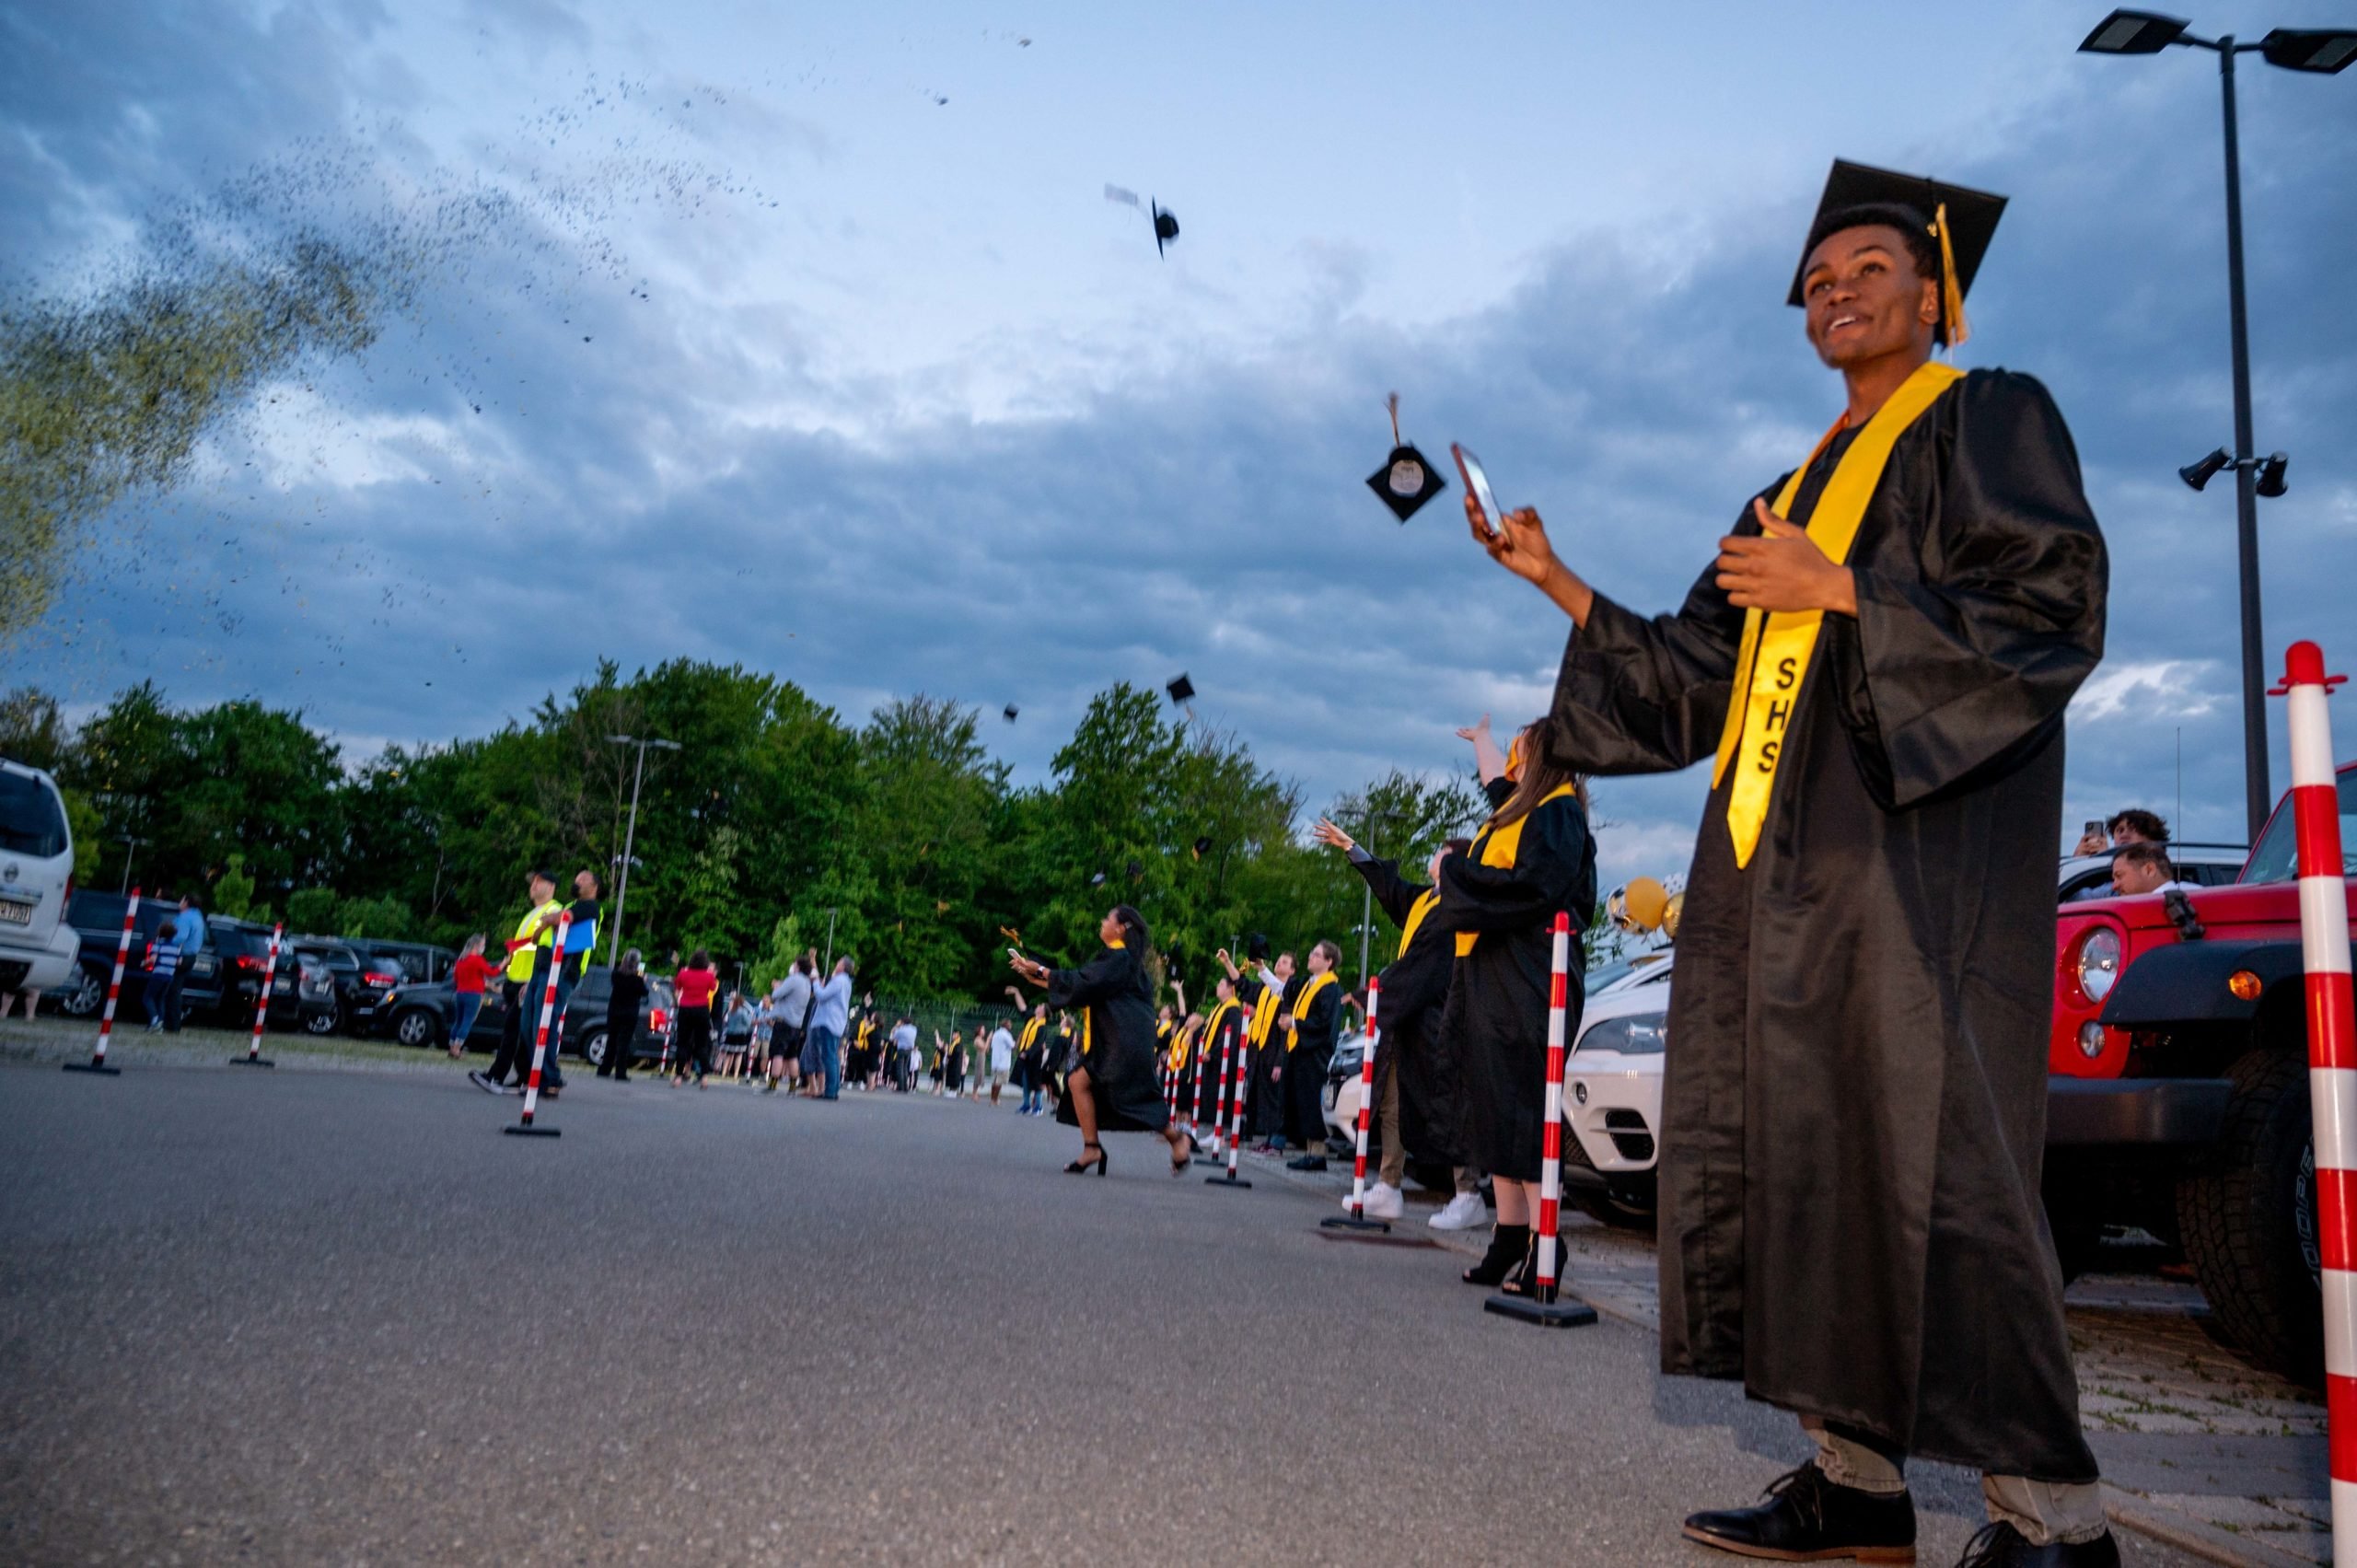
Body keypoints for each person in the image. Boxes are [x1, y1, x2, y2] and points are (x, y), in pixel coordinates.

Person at [1477, 165, 2114, 1563]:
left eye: (1867, 269)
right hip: (1775, 885)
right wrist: (1559, 579)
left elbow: (2054, 605)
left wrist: (1847, 594)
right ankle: (1855, 1481)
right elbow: (1695, 680)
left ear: (1935, 291)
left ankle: (2053, 1522)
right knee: (1807, 1162)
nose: (1835, 292)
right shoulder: (1788, 489)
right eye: (1818, 281)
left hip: (1916, 874)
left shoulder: (1990, 417)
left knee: (1945, 1170)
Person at [1427, 718, 1596, 1291]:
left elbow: (1529, 888)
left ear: (1541, 760)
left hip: (1530, 976)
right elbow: (1495, 782)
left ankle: (1544, 1244)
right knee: (1494, 1109)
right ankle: (1507, 1237)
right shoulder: (1524, 809)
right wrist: (1481, 742)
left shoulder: (1558, 812)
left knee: (1522, 1109)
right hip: (1494, 973)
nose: (1511, 766)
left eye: (1519, 755)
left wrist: (1454, 871)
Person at [1314, 816, 1471, 1222]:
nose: (1434, 856)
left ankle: (1468, 1192)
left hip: (1439, 1020)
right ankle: (1389, 1185)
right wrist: (1352, 848)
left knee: (1448, 1103)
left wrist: (1374, 993)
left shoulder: (1456, 909)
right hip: (1407, 1021)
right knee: (1391, 1102)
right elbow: (1391, 889)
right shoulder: (1427, 901)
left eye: (1442, 852)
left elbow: (1424, 965)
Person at [1009, 906, 1192, 1174]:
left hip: (1124, 1042)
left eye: (1108, 918)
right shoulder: (1116, 958)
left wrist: (1044, 972)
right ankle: (1092, 1148)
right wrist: (1035, 976)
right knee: (1078, 1080)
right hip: (1115, 1041)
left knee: (1131, 1095)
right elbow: (1085, 987)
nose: (1102, 921)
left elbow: (1084, 982)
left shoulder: (1120, 957)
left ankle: (1177, 1139)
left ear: (1120, 928)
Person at [472, 871, 562, 1095]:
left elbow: (546, 950)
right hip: (517, 980)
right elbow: (521, 949)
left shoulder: (552, 911)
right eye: (532, 881)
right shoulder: (534, 913)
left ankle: (496, 1075)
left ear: (551, 887)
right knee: (520, 1033)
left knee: (512, 1030)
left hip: (529, 981)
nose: (533, 885)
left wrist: (532, 981)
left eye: (539, 882)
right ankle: (525, 1078)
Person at [1275, 942, 1344, 1171]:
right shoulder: (1309, 984)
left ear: (1329, 962)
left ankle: (1318, 1154)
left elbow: (1324, 1024)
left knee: (1314, 1104)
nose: (1310, 957)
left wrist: (1294, 1023)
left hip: (1316, 1055)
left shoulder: (1331, 988)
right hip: (1300, 1052)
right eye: (1312, 952)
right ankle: (1308, 1151)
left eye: (1316, 954)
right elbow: (1283, 989)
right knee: (1301, 1103)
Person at [804, 957, 853, 1099]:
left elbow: (822, 995)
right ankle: (834, 1088)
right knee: (833, 1057)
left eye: (838, 963)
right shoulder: (847, 982)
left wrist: (816, 984)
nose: (836, 964)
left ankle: (830, 1091)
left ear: (843, 967)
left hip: (828, 1021)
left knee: (828, 1057)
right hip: (837, 1022)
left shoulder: (838, 981)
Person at [597, 948, 649, 1082]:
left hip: (614, 1010)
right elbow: (644, 992)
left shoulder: (616, 974)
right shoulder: (637, 979)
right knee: (624, 1043)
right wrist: (643, 980)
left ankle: (604, 1069)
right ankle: (620, 1072)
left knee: (612, 1040)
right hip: (629, 1013)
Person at [767, 953, 814, 1094]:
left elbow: (776, 995)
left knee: (778, 1053)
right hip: (797, 1023)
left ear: (798, 966)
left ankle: (773, 1084)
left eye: (795, 964)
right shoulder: (808, 983)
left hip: (784, 1021)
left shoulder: (793, 979)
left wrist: (776, 987)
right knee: (792, 1056)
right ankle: (793, 1086)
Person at [672, 950, 720, 1087]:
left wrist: (679, 1001)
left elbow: (677, 990)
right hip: (702, 1010)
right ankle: (704, 1077)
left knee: (682, 1044)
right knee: (702, 1045)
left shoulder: (683, 973)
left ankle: (678, 1077)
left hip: (685, 1009)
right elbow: (712, 987)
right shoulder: (708, 976)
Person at [448, 934, 498, 1059]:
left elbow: (456, 978)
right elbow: (492, 972)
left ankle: (451, 1047)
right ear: (476, 946)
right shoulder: (477, 960)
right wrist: (503, 964)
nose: (484, 947)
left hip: (460, 993)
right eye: (483, 945)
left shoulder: (461, 959)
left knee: (458, 1021)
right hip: (473, 994)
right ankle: (457, 1049)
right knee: (467, 1022)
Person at [164, 893, 204, 1033]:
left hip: (180, 955)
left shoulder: (185, 917)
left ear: (186, 902)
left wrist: (165, 941)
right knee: (176, 989)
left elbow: (180, 936)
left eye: (181, 899)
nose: (179, 902)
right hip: (191, 956)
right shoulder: (198, 917)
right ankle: (173, 1023)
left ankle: (171, 1024)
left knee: (171, 990)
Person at [2108, 841, 2189, 898]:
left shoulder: (2153, 909)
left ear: (2149, 870)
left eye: (2119, 876)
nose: (2114, 886)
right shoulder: (2196, 896)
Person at [142, 920, 180, 1031]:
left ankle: (154, 1019)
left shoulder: (158, 945)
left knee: (147, 997)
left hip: (159, 973)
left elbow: (152, 960)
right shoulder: (176, 947)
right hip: (169, 975)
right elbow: (179, 962)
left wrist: (144, 962)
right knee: (161, 998)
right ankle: (160, 1023)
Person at [1015, 1003, 1050, 1114]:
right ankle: (1026, 1105)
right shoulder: (1031, 1021)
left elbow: (1038, 1043)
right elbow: (1023, 1009)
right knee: (1025, 1082)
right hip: (1025, 1057)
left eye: (1040, 1006)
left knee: (1036, 1082)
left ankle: (1038, 1107)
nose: (1037, 1007)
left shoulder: (1043, 1027)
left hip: (1035, 1058)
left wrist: (1027, 1053)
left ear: (1043, 1012)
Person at [987, 1014, 1016, 1107]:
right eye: (1010, 1024)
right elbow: (1013, 1046)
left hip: (995, 1061)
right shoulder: (1006, 1035)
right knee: (999, 1082)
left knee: (995, 1081)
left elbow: (992, 1046)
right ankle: (994, 1100)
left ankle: (992, 1098)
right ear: (1006, 1025)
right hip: (1003, 1062)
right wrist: (1019, 1038)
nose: (1011, 1025)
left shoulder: (996, 1033)